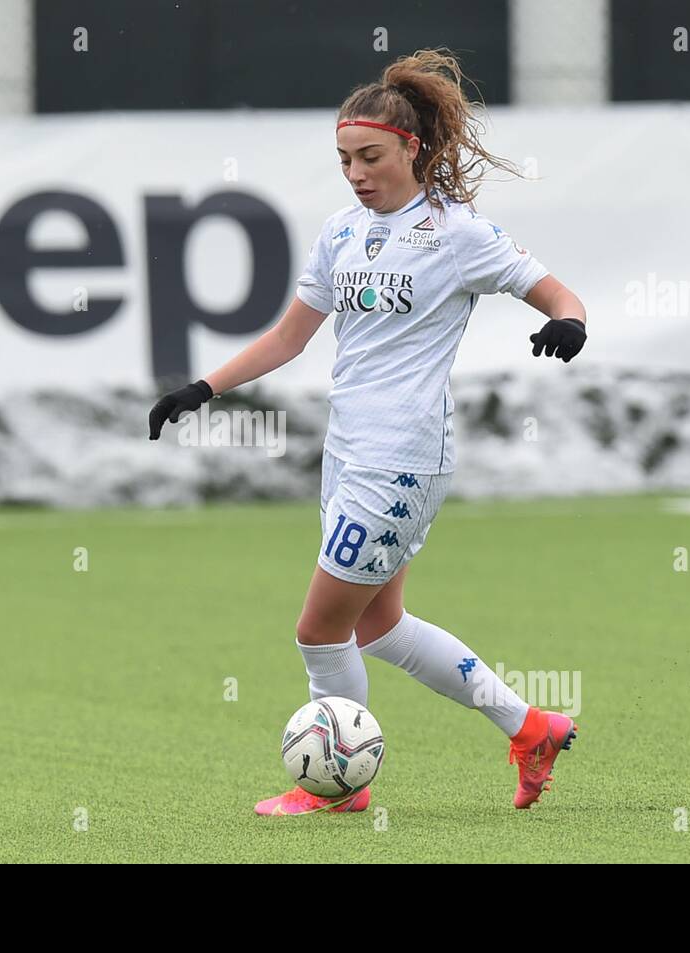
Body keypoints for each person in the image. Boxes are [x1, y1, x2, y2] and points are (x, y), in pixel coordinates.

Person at [149, 49, 587, 816]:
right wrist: (203, 387)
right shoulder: (342, 233)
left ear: (411, 149)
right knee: (379, 628)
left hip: (402, 457)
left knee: (320, 629)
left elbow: (552, 288)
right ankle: (530, 726)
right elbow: (290, 337)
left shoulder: (457, 234)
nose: (355, 172)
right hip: (348, 451)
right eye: (345, 158)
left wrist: (569, 321)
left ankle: (338, 788)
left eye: (370, 156)